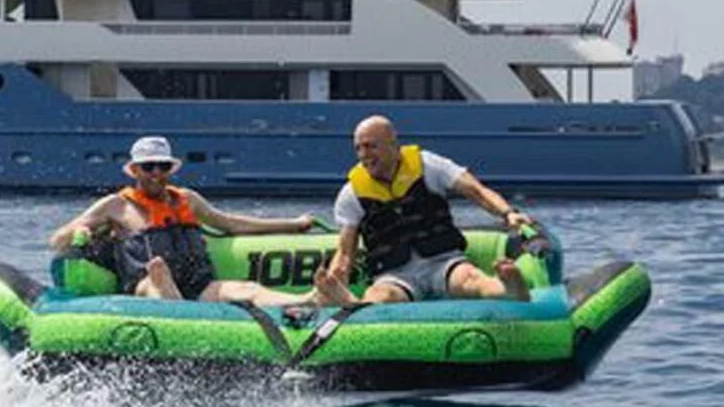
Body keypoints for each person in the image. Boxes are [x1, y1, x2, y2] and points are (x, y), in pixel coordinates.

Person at [49, 135, 343, 307]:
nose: (156, 173)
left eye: (162, 166)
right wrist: (82, 230)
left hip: (197, 284)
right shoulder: (116, 205)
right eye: (148, 167)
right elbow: (57, 239)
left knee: (248, 290)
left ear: (170, 170)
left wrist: (294, 224)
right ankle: (172, 303)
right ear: (134, 171)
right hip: (143, 286)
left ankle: (308, 301)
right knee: (157, 280)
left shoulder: (186, 198)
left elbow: (230, 223)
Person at [314, 115, 535, 305]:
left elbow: (477, 191)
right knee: (381, 295)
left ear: (393, 145)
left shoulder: (429, 166)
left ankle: (507, 290)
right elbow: (345, 254)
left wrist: (508, 213)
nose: (364, 155)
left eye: (371, 146)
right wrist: (334, 280)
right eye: (358, 148)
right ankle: (353, 305)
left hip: (444, 261)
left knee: (470, 279)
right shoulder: (351, 194)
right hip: (395, 274)